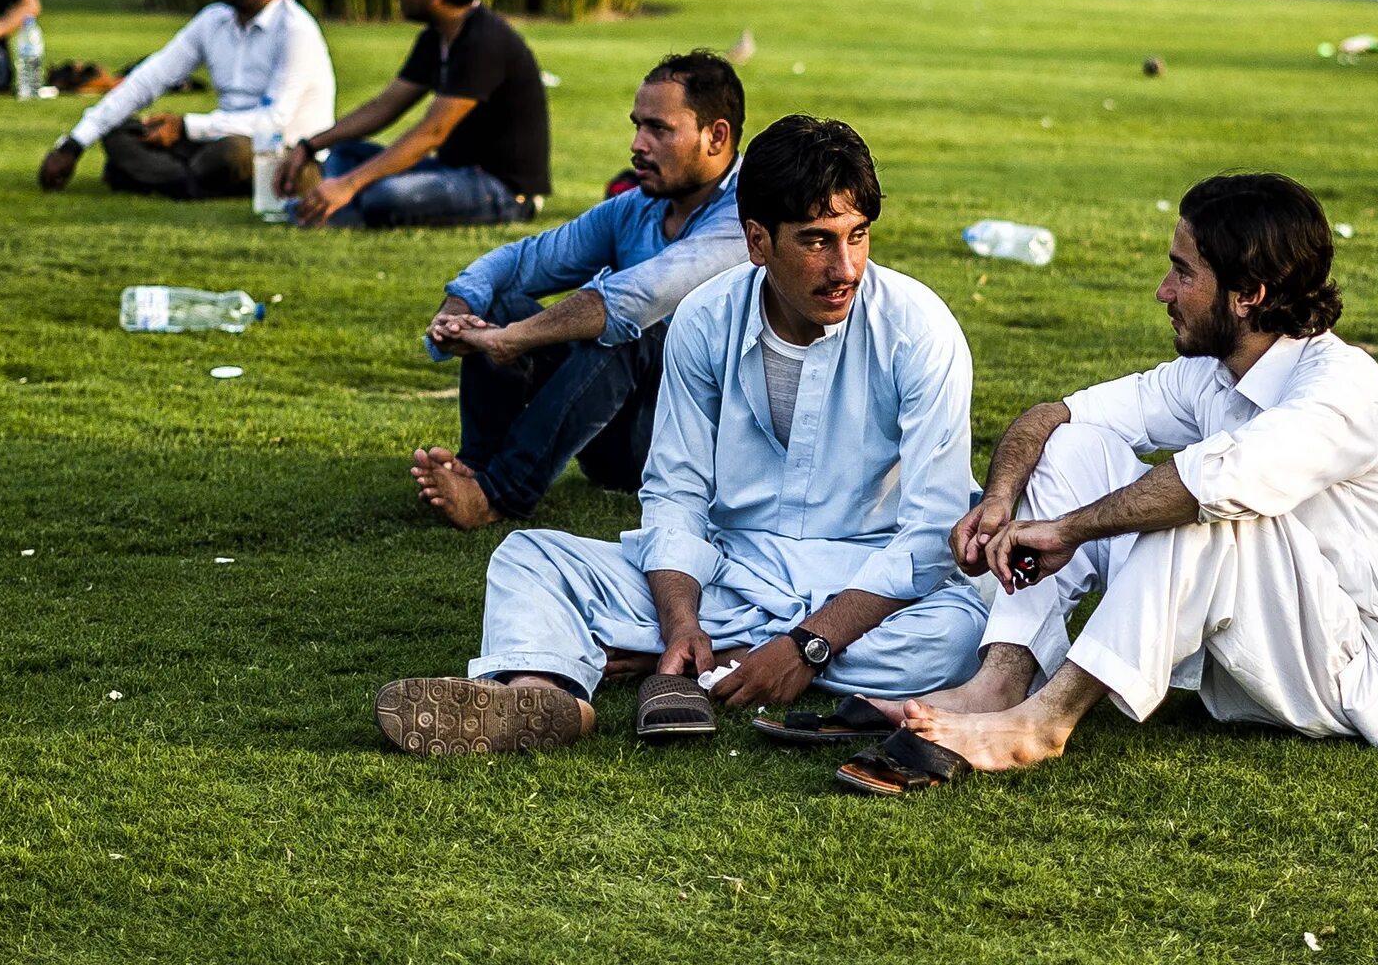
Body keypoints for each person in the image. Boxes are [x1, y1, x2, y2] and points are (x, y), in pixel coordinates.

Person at [836, 173, 1378, 797]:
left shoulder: (1342, 388)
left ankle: (1044, 721)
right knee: (1077, 445)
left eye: (1182, 272)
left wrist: (1068, 530)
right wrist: (999, 500)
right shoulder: (1217, 371)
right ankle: (998, 683)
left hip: (1352, 677)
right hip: (1257, 657)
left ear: (1248, 294)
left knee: (1202, 501)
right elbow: (1052, 416)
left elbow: (1204, 487)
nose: (1163, 290)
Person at [374, 117, 988, 755]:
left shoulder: (919, 330)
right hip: (734, 569)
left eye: (857, 236)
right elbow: (677, 490)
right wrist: (680, 621)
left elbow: (929, 532)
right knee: (530, 557)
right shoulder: (705, 317)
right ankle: (544, 693)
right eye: (816, 241)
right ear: (757, 241)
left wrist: (808, 645)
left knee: (955, 637)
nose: (845, 266)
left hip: (868, 581)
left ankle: (705, 657)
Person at [408, 51, 750, 529]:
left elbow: (632, 302)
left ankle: (498, 495)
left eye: (659, 129)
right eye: (637, 126)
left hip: (694, 454)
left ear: (716, 136)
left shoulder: (746, 219)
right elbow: (523, 261)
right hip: (616, 447)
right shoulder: (634, 209)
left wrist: (512, 339)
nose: (637, 145)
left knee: (633, 331)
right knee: (502, 302)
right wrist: (459, 307)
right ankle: (479, 466)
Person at [278, 0, 550, 230]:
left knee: (386, 194)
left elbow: (431, 133)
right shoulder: (436, 38)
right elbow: (384, 107)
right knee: (345, 152)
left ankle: (335, 209)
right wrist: (310, 145)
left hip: (502, 189)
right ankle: (340, 207)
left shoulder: (484, 42)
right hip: (450, 172)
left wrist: (348, 185)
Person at [36, 0, 333, 199]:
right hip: (214, 138)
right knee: (121, 133)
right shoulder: (213, 20)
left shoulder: (296, 32)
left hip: (284, 153)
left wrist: (187, 126)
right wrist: (74, 144)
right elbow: (146, 80)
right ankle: (191, 183)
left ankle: (164, 181)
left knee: (232, 152)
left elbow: (273, 122)